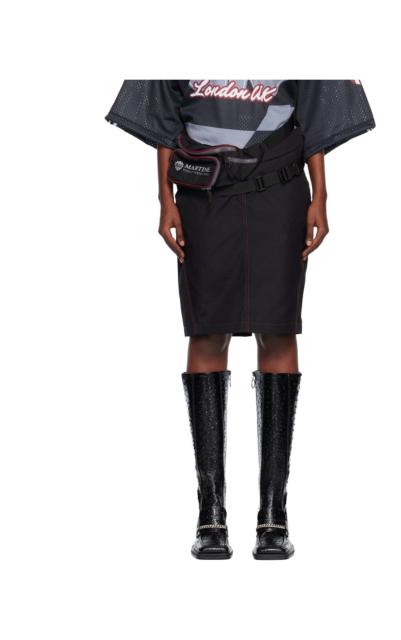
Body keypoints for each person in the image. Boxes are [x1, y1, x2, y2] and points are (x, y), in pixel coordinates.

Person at [105, 80, 375, 560]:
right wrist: (164, 198)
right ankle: (210, 516)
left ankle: (274, 515)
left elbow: (314, 114)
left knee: (279, 330)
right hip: (203, 194)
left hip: (281, 190)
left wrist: (321, 195)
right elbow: (164, 117)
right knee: (206, 331)